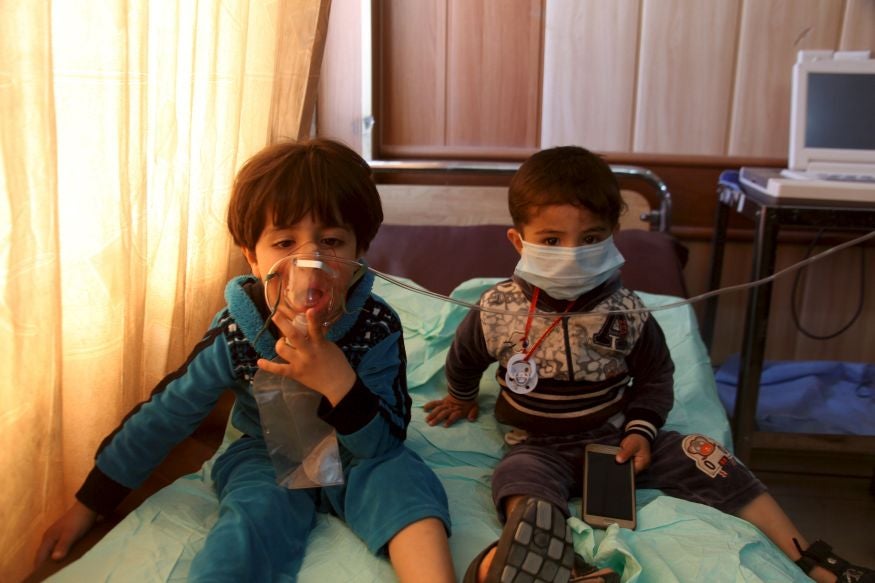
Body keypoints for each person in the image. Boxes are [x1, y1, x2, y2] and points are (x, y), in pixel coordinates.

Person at [424, 145, 873, 583]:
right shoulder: (496, 308)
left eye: (592, 238)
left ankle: (812, 559)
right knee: (516, 480)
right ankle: (555, 560)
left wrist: (641, 430)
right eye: (552, 240)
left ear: (613, 236)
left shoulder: (629, 312)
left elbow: (656, 376)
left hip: (617, 441)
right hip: (537, 446)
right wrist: (460, 396)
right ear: (518, 241)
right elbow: (465, 357)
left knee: (710, 456)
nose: (574, 253)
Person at [35, 138, 455, 582]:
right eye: (285, 242)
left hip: (355, 449)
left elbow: (384, 440)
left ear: (359, 253)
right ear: (253, 257)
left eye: (331, 241)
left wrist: (340, 383)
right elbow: (166, 415)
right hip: (267, 450)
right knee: (251, 521)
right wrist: (89, 505)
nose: (308, 264)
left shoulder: (374, 326)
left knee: (402, 481)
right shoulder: (239, 331)